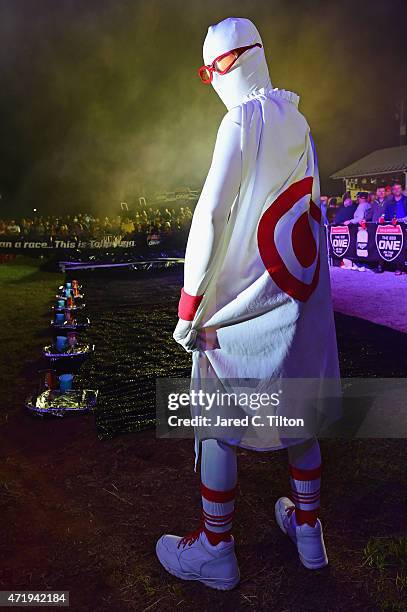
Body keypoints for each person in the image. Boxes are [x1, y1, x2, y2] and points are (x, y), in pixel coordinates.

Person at [156, 17, 340, 590]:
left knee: (215, 421)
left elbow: (210, 215)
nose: (208, 81)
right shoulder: (299, 119)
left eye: (210, 69)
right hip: (295, 299)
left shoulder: (240, 121)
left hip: (242, 301)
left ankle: (216, 546)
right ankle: (309, 533)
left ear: (228, 65)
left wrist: (189, 305)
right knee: (299, 415)